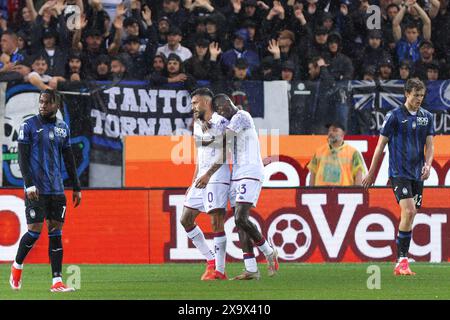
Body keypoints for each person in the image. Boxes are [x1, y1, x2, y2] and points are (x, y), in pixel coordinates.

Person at [10, 89, 82, 292]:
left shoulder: (63, 128)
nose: (42, 105)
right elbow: (22, 158)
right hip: (36, 190)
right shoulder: (28, 125)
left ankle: (56, 281)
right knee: (34, 231)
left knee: (55, 233)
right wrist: (29, 183)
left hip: (57, 190)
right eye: (41, 101)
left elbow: (69, 158)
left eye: (47, 102)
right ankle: (17, 266)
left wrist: (76, 186)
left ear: (56, 105)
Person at [362, 79, 435, 276]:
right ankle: (402, 260)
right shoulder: (394, 116)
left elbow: (430, 146)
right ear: (406, 94)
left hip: (417, 174)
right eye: (415, 95)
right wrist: (371, 172)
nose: (419, 99)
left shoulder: (427, 117)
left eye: (422, 95)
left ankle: (401, 260)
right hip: (398, 173)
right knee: (409, 211)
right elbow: (380, 146)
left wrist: (428, 165)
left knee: (411, 215)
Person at [212, 93, 279, 280]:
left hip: (251, 170)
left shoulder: (242, 116)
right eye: (216, 110)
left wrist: (206, 135)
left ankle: (268, 252)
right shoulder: (228, 120)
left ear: (227, 103)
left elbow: (223, 139)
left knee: (241, 218)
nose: (219, 112)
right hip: (237, 173)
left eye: (219, 107)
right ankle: (251, 269)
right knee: (238, 221)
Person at [180, 88, 229, 281]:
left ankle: (220, 270)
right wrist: (194, 180)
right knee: (186, 219)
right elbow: (200, 155)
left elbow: (225, 152)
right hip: (202, 177)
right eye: (191, 103)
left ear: (207, 103)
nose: (192, 107)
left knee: (216, 222)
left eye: (195, 103)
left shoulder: (222, 122)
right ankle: (210, 261)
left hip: (216, 176)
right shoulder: (197, 124)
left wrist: (208, 174)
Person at [307, 122, 366, 186]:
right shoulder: (319, 152)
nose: (331, 133)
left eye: (335, 130)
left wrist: (357, 192)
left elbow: (358, 174)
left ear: (343, 134)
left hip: (343, 194)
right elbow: (313, 174)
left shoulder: (353, 152)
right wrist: (311, 192)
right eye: (329, 131)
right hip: (322, 193)